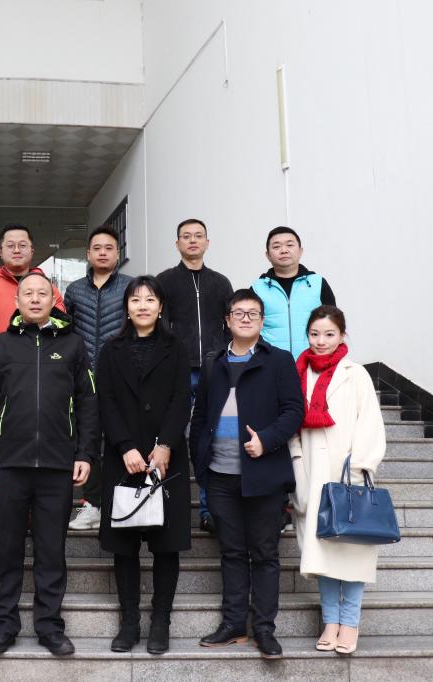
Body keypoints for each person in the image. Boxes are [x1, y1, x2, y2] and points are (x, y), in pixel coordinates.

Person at [0, 273, 99, 657]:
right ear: (17, 301)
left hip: (58, 467)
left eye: (43, 293)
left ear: (53, 300)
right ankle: (3, 627)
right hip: (9, 465)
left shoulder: (74, 345)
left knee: (51, 551)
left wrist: (85, 454)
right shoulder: (0, 346)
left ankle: (49, 627)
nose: (35, 298)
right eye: (28, 293)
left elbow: (88, 402)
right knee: (7, 551)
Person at [188, 289, 304, 659]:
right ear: (227, 320)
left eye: (253, 313)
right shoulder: (214, 362)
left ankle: (264, 629)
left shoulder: (279, 361)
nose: (246, 318)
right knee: (232, 553)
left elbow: (294, 410)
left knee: (265, 554)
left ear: (262, 320)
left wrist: (266, 440)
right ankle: (234, 624)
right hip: (220, 476)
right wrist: (200, 463)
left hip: (263, 474)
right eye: (238, 312)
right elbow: (201, 415)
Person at [96, 276, 192, 655]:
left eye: (150, 299)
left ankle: (160, 622)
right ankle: (130, 622)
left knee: (166, 545)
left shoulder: (177, 348)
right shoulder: (110, 349)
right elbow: (105, 401)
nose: (142, 306)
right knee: (125, 545)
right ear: (126, 307)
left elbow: (182, 398)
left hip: (166, 458)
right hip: (123, 457)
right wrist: (124, 446)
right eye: (135, 300)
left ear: (160, 306)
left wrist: (165, 444)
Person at [288, 305, 386, 656]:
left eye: (329, 334)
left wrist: (359, 468)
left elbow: (369, 423)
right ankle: (330, 621)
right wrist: (297, 463)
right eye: (315, 334)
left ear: (342, 335)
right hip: (312, 475)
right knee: (322, 555)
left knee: (353, 552)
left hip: (348, 476)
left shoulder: (355, 374)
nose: (321, 341)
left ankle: (350, 623)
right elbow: (291, 422)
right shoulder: (298, 373)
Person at [0, 222, 65, 531]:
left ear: (32, 250)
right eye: (10, 245)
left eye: (23, 244)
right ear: (0, 251)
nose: (17, 249)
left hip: (41, 371)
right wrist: (5, 350)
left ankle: (34, 507)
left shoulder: (47, 286)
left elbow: (60, 318)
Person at [156, 218, 233, 535]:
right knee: (170, 435)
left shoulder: (221, 282)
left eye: (198, 236)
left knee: (210, 437)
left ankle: (208, 509)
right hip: (178, 370)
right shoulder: (165, 281)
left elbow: (231, 323)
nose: (192, 241)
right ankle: (165, 504)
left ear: (207, 243)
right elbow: (159, 324)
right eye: (186, 236)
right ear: (177, 244)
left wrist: (224, 355)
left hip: (214, 369)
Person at [64, 225, 132, 531]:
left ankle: (122, 502)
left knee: (120, 440)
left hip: (121, 376)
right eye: (97, 248)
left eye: (109, 248)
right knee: (88, 442)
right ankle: (91, 504)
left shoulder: (131, 287)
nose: (103, 253)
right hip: (83, 378)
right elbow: (67, 331)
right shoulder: (74, 290)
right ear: (88, 254)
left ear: (117, 254)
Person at [251, 226, 337, 360]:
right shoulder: (257, 288)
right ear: (268, 255)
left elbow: (334, 323)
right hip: (271, 363)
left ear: (300, 251)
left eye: (290, 245)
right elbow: (249, 328)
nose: (284, 250)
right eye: (276, 246)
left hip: (312, 361)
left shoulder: (318, 283)